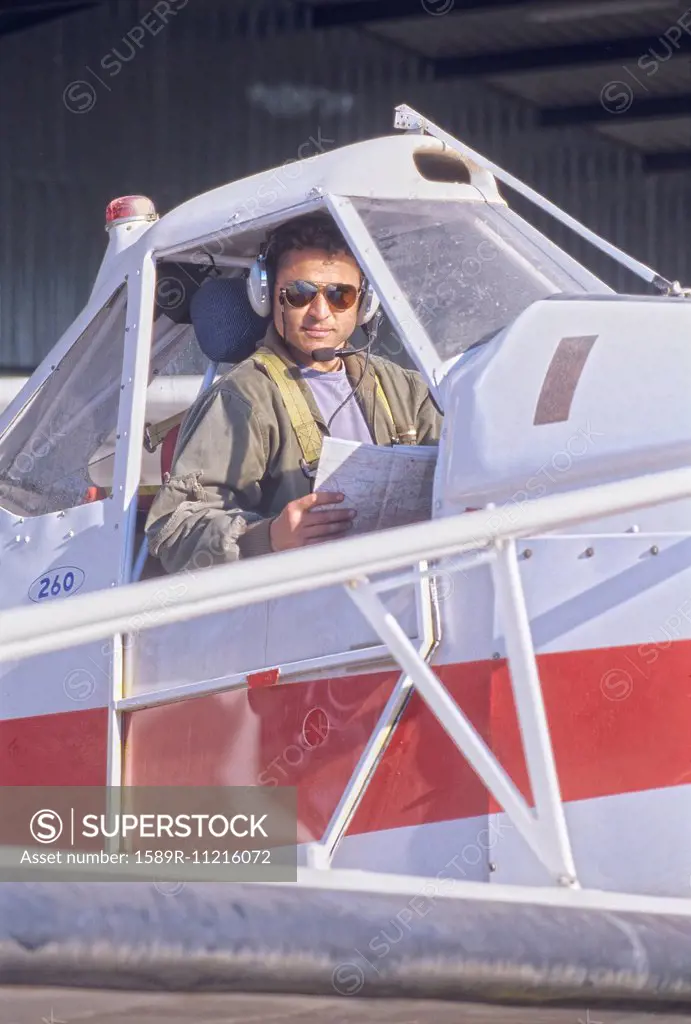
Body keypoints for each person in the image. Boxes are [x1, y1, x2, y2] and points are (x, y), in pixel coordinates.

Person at [145, 212, 442, 573]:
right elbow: (173, 532)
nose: (320, 312)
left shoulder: (406, 389)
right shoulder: (242, 398)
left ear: (365, 303)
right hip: (305, 612)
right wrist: (268, 536)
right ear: (266, 297)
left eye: (340, 295)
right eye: (299, 294)